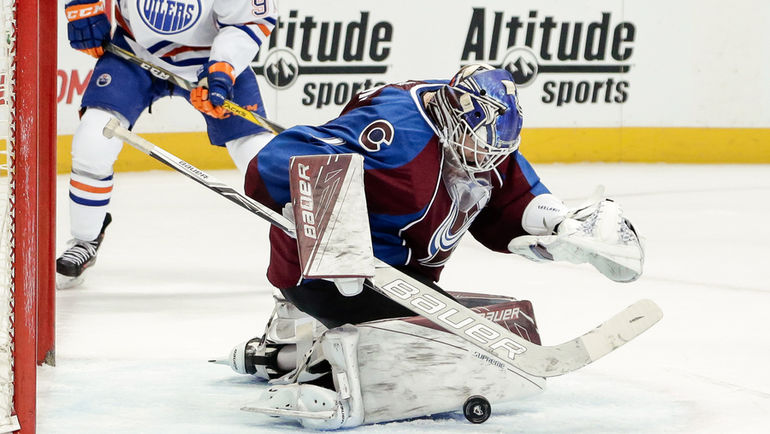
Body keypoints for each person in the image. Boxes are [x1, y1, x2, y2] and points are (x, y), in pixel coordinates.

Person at [217, 64, 645, 428]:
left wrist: (563, 230)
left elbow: (513, 199)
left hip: (398, 277)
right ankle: (316, 370)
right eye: (481, 142)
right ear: (456, 118)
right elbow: (273, 161)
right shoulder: (395, 130)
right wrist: (314, 205)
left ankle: (284, 344)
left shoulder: (481, 138)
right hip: (329, 272)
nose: (490, 156)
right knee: (456, 348)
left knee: (498, 326)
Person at [56, 0, 278, 288]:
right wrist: (84, 5)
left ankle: (303, 247)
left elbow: (248, 21)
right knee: (93, 138)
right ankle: (85, 239)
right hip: (133, 51)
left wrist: (221, 70)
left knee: (257, 155)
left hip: (208, 61)